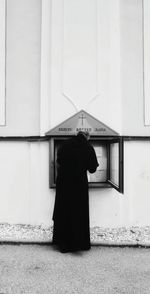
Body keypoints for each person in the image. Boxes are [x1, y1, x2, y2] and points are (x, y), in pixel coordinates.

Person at [52, 131, 99, 253]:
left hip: (63, 183)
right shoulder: (88, 147)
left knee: (64, 211)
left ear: (77, 134)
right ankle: (79, 244)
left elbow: (58, 162)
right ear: (87, 137)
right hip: (79, 184)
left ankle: (63, 245)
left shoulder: (64, 145)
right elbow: (93, 168)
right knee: (78, 213)